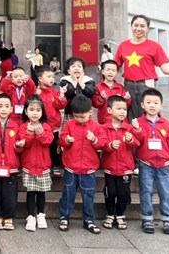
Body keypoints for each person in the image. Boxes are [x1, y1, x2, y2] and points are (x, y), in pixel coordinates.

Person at [114, 15, 169, 122]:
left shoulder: (154, 46)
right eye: (136, 25)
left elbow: (164, 68)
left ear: (147, 28)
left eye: (142, 26)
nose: (138, 28)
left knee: (149, 115)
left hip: (146, 86)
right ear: (131, 26)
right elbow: (115, 67)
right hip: (129, 86)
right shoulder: (123, 46)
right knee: (129, 116)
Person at [131, 88, 169, 236]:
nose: (152, 105)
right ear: (142, 105)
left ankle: (167, 219)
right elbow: (136, 143)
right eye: (148, 102)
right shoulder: (138, 122)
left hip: (164, 165)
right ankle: (147, 219)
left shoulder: (166, 124)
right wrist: (137, 130)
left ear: (161, 106)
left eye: (156, 103)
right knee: (146, 191)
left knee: (166, 193)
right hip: (146, 164)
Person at [58, 94, 107, 234]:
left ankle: (89, 219)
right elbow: (61, 139)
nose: (79, 119)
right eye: (76, 116)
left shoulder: (96, 127)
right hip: (71, 167)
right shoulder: (69, 124)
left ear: (90, 112)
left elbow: (102, 143)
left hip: (88, 168)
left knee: (88, 196)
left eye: (82, 117)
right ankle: (64, 217)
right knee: (68, 194)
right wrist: (66, 140)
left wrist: (95, 139)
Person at [101, 95, 139, 231]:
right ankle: (110, 214)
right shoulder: (104, 128)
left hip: (125, 167)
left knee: (123, 193)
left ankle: (120, 214)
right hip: (110, 167)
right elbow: (101, 144)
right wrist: (110, 145)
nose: (123, 111)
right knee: (110, 192)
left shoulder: (129, 128)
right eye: (119, 109)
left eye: (124, 109)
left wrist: (130, 140)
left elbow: (137, 143)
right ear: (109, 110)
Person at [0, 94, 23, 230]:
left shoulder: (15, 126)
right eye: (0, 106)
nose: (3, 109)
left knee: (10, 194)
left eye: (7, 106)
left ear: (11, 109)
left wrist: (19, 146)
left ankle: (8, 217)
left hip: (10, 166)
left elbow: (19, 148)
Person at [16, 95, 53, 232]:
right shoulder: (23, 127)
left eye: (38, 110)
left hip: (43, 165)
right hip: (29, 165)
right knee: (31, 192)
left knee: (41, 193)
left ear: (42, 112)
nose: (35, 112)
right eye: (31, 109)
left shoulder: (46, 127)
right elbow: (24, 143)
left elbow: (47, 141)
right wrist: (30, 133)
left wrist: (41, 133)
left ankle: (41, 215)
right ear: (26, 112)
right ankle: (31, 216)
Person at [36, 65, 67, 176]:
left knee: (55, 147)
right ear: (40, 78)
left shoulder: (54, 92)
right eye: (48, 76)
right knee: (42, 147)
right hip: (40, 126)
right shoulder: (36, 92)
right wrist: (35, 95)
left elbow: (60, 105)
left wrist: (62, 95)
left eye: (52, 77)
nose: (52, 79)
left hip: (54, 126)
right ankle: (43, 165)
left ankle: (55, 165)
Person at [92, 60, 131, 125]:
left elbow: (127, 105)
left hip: (120, 121)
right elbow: (95, 104)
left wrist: (127, 99)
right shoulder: (98, 87)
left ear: (116, 73)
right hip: (105, 122)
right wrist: (101, 98)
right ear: (103, 71)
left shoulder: (120, 87)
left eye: (113, 71)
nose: (110, 72)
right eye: (108, 70)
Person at [59, 57, 96, 122]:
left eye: (79, 66)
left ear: (83, 71)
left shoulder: (88, 80)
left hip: (85, 112)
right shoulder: (65, 81)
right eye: (73, 66)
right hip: (70, 112)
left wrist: (81, 83)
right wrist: (74, 82)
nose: (76, 68)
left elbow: (91, 93)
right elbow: (68, 93)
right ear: (68, 71)